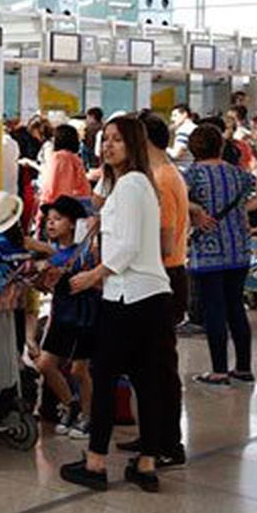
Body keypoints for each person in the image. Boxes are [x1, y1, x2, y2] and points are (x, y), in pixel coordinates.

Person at [60, 115, 172, 493]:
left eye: (117, 140)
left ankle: (95, 463)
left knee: (105, 378)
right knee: (147, 380)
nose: (108, 146)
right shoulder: (139, 184)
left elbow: (126, 246)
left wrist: (93, 276)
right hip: (152, 296)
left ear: (133, 145)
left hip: (127, 296)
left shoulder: (130, 185)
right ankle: (146, 464)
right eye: (105, 139)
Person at [113, 113, 190, 466]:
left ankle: (167, 444)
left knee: (159, 367)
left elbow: (163, 242)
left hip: (163, 276)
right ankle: (152, 437)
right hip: (163, 275)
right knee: (148, 365)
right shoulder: (162, 174)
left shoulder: (159, 179)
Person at [184, 125, 257, 385]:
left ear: (193, 148)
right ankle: (244, 367)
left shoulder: (192, 174)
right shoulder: (237, 173)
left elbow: (175, 197)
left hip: (208, 251)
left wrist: (196, 210)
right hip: (238, 248)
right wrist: (244, 208)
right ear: (220, 146)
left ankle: (219, 370)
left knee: (214, 308)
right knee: (235, 306)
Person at [32, 196, 96, 439]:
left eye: (58, 219)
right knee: (45, 364)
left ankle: (88, 418)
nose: (51, 224)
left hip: (84, 315)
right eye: (49, 219)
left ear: (72, 224)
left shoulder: (86, 251)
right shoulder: (50, 252)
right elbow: (43, 286)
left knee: (80, 370)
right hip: (61, 315)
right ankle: (71, 405)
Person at [37, 124, 91, 206]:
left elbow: (51, 183)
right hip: (78, 202)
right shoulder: (76, 159)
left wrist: (43, 201)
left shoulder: (58, 157)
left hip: (59, 204)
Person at [168, 104, 197, 170]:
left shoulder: (184, 130)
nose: (172, 119)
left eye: (175, 115)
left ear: (184, 114)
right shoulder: (195, 128)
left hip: (182, 169)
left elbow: (176, 154)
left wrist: (162, 150)